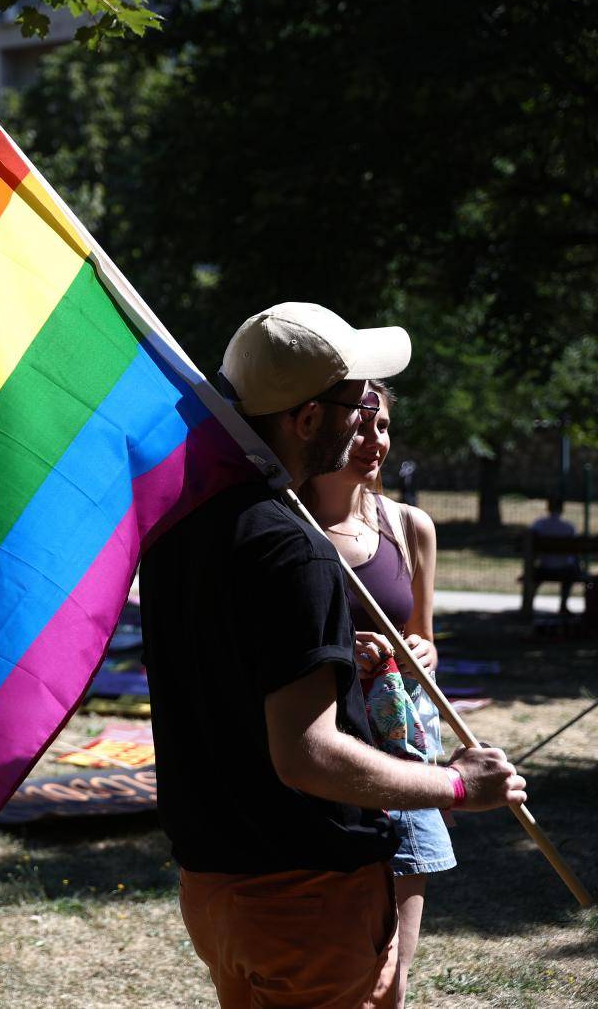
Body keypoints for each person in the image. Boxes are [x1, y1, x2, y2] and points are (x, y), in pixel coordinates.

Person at [140, 303, 526, 1009]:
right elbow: (307, 754)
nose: (364, 425)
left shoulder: (177, 525)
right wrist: (459, 786)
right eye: (355, 404)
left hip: (214, 888)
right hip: (307, 894)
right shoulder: (294, 549)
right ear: (308, 420)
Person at [303, 381, 449, 1005]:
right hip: (319, 750)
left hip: (398, 753)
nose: (375, 441)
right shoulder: (286, 523)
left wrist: (419, 655)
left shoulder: (410, 527)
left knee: (389, 981)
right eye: (361, 425)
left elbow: (427, 644)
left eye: (384, 426)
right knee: (322, 968)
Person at [529, 498, 583, 614]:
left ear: (548, 508)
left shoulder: (539, 525)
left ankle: (529, 604)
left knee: (534, 575)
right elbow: (575, 551)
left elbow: (529, 542)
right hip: (565, 570)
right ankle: (563, 605)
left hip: (544, 568)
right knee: (571, 572)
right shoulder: (569, 527)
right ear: (562, 509)